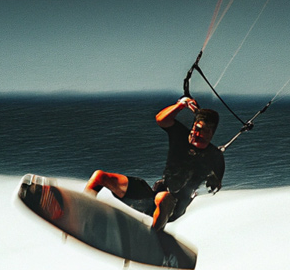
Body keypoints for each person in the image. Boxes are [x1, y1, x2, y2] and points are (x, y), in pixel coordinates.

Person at [85, 96, 225, 231]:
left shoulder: (215, 157)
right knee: (100, 177)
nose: (195, 133)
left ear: (211, 133)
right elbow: (161, 120)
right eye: (195, 127)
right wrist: (180, 105)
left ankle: (153, 238)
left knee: (164, 198)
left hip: (174, 207)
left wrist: (213, 180)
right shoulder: (182, 134)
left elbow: (215, 187)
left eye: (202, 130)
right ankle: (83, 212)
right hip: (152, 196)